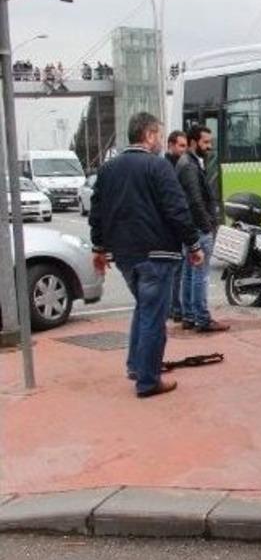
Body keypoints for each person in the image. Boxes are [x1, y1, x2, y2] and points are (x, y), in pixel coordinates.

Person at [89, 112, 204, 398]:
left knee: (144, 308)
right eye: (158, 136)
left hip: (125, 255)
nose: (160, 142)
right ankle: (148, 381)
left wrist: (99, 248)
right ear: (149, 135)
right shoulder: (158, 166)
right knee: (154, 315)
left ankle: (136, 366)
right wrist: (194, 245)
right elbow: (177, 209)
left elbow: (97, 212)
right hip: (158, 253)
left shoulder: (108, 169)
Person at [176, 124, 229, 333]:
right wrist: (207, 226)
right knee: (200, 274)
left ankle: (189, 316)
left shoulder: (187, 162)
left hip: (189, 227)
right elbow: (196, 201)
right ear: (193, 142)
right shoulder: (189, 166)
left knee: (189, 273)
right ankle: (202, 318)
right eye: (205, 142)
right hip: (198, 228)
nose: (209, 147)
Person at [165, 130, 189, 322]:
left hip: (173, 225)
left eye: (185, 146)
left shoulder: (178, 164)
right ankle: (174, 307)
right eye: (181, 146)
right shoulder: (166, 167)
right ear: (171, 145)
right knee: (175, 269)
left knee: (176, 269)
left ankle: (174, 307)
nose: (184, 149)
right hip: (171, 226)